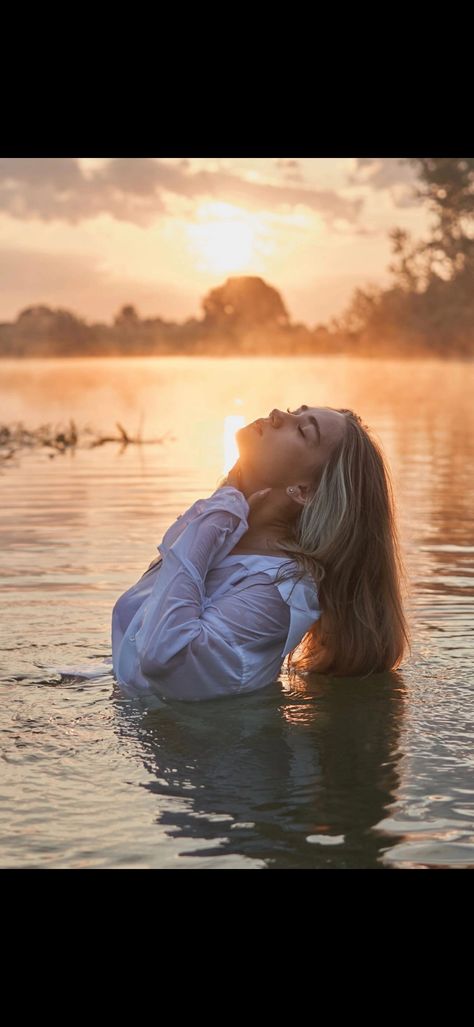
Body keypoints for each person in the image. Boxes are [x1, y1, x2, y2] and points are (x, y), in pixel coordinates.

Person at [111, 405, 411, 701]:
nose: (279, 413)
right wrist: (224, 505)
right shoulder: (222, 541)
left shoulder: (280, 589)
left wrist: (217, 518)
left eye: (302, 430)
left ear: (304, 491)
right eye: (295, 411)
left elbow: (164, 656)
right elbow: (135, 645)